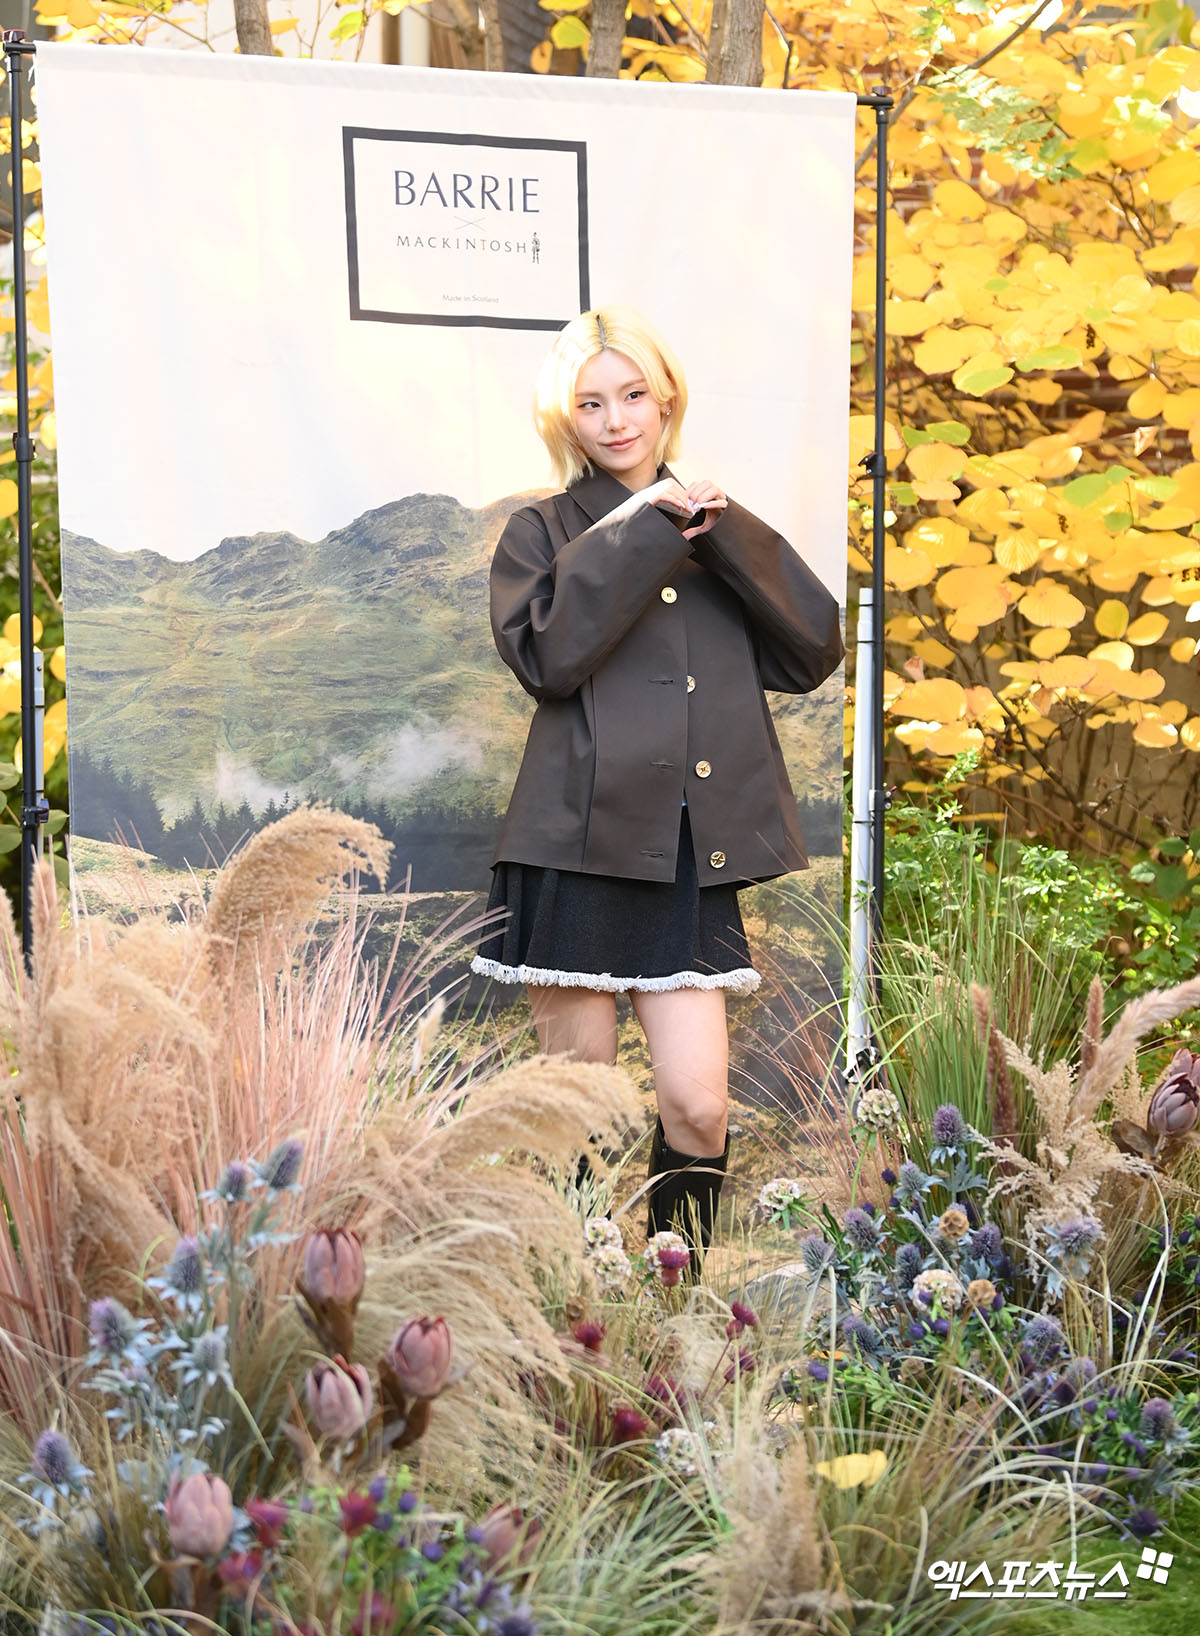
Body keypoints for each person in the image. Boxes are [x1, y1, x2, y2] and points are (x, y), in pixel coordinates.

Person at [471, 306, 843, 1265]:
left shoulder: (716, 529)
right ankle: (574, 1306)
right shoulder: (540, 532)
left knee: (699, 1105)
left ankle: (677, 1306)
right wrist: (645, 528)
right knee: (583, 1115)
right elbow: (549, 658)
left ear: (667, 397)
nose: (616, 420)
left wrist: (728, 534)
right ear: (566, 419)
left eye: (633, 394)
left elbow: (811, 652)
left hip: (685, 853)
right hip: (575, 850)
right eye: (591, 403)